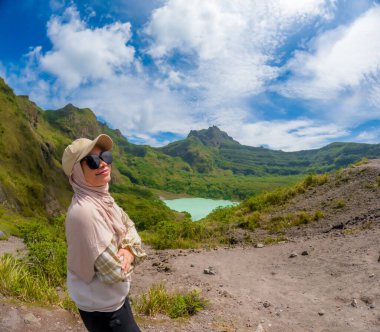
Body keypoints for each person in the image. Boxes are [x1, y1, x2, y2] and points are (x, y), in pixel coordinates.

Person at [62, 134, 146, 332]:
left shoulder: (103, 198)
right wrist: (133, 251)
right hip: (103, 311)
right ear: (76, 172)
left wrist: (126, 249)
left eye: (105, 156)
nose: (102, 164)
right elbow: (115, 273)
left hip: (111, 299)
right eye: (91, 161)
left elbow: (130, 225)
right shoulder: (85, 212)